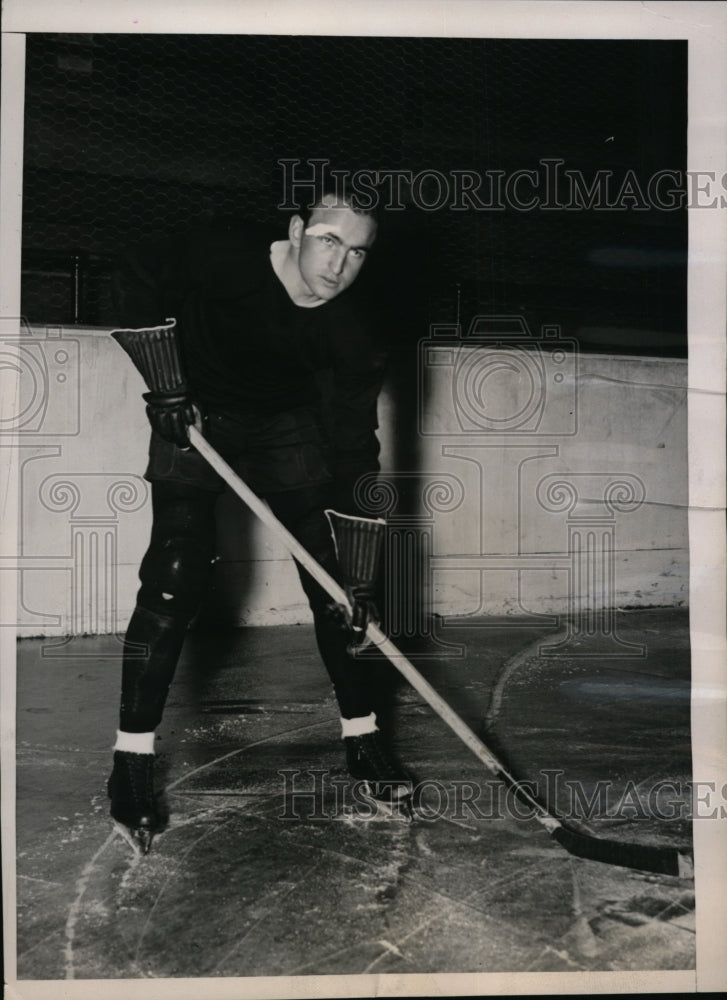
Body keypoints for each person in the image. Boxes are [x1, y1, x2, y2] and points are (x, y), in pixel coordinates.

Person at [108, 189, 413, 852]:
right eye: (329, 241)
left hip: (289, 428)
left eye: (358, 251)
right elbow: (134, 272)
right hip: (196, 409)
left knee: (336, 587)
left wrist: (357, 574)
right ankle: (130, 760)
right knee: (175, 575)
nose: (339, 265)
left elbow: (353, 447)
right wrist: (163, 384)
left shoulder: (355, 329)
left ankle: (362, 742)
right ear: (298, 230)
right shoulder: (223, 252)